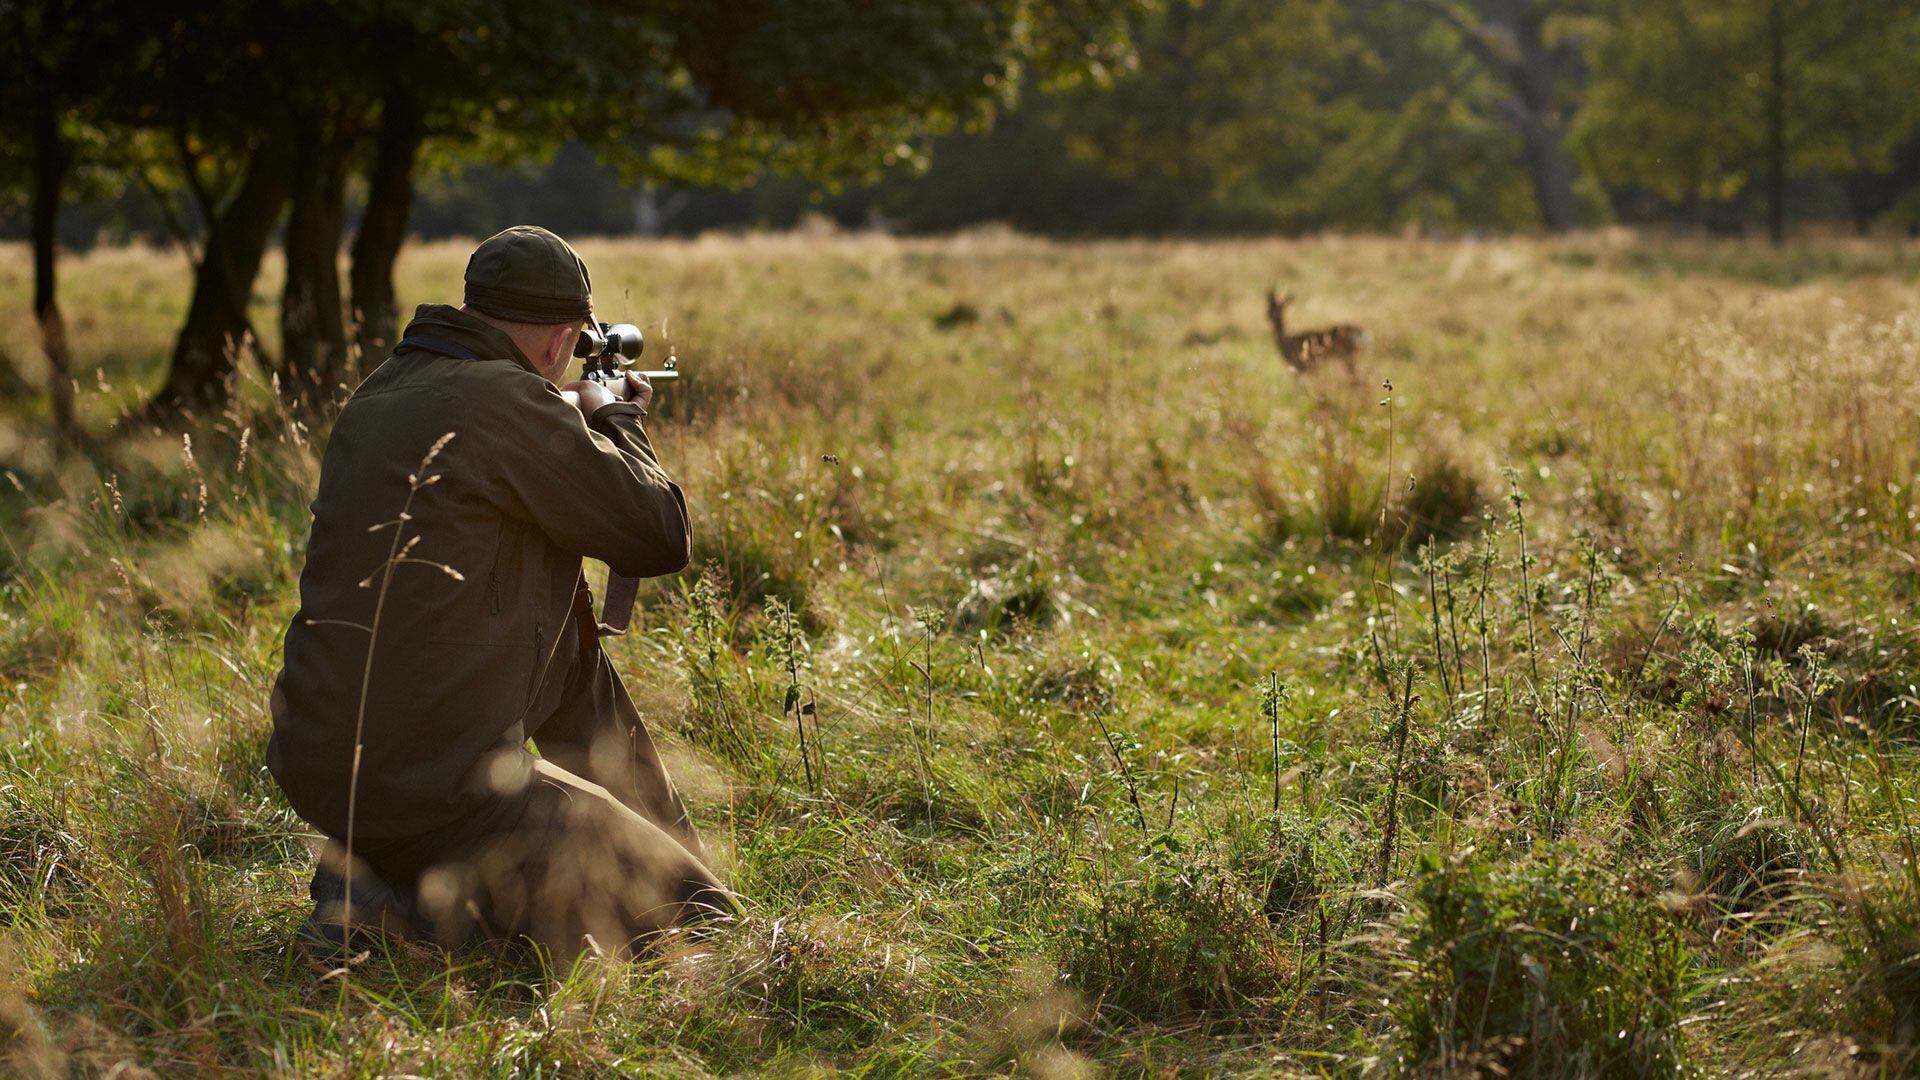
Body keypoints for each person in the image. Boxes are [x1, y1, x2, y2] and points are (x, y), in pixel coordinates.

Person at [267, 225, 731, 962]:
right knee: (705, 926)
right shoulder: (510, 401)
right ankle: (410, 909)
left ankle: (374, 878)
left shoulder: (380, 391)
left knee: (574, 656)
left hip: (323, 765)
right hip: (440, 782)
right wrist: (617, 417)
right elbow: (657, 535)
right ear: (558, 341)